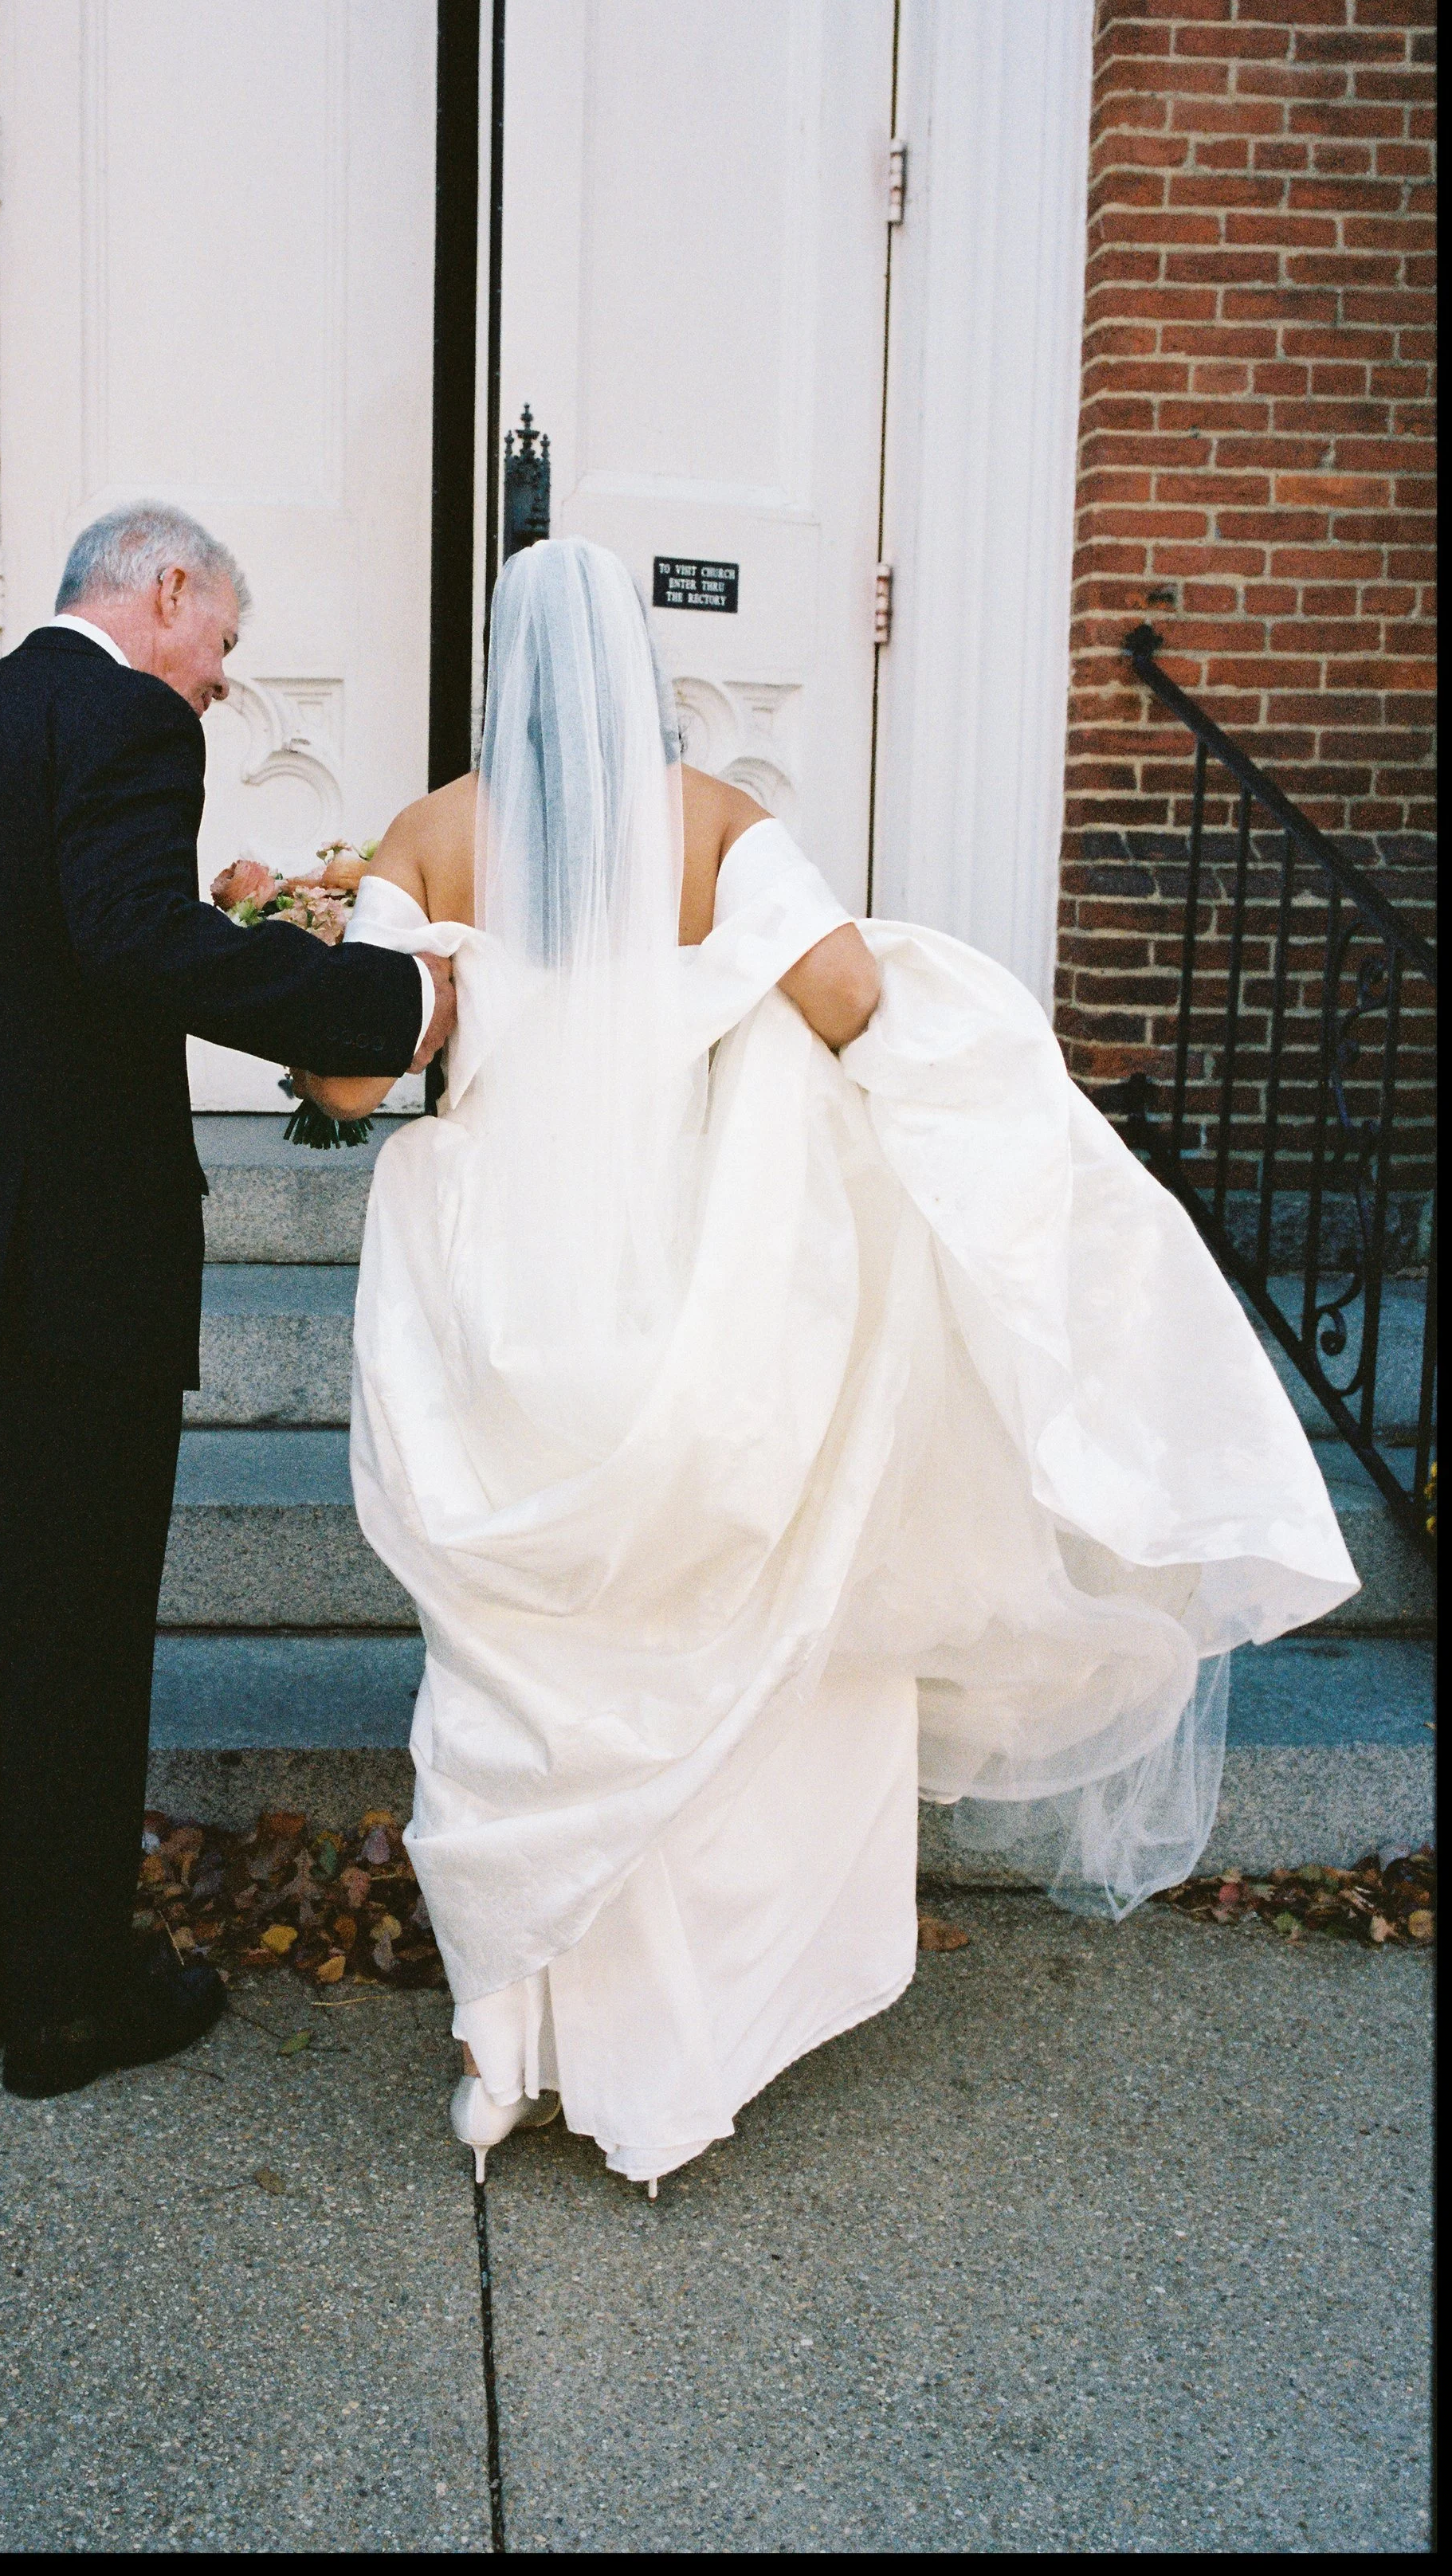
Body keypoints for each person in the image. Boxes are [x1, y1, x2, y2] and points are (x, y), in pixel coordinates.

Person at [296, 536, 1358, 2194]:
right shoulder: (716, 821)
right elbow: (850, 995)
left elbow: (355, 1082)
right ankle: (673, 2061)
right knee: (715, 1646)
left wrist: (346, 949)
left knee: (514, 1664)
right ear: (637, 672)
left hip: (499, 1312)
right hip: (691, 1294)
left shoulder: (428, 833)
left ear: (499, 674)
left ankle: (502, 2055)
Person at [0, 501, 454, 2099]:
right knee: (74, 1628)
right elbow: (127, 937)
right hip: (70, 1270)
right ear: (162, 590)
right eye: (223, 644)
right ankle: (72, 1994)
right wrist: (378, 997)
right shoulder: (117, 711)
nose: (220, 684)